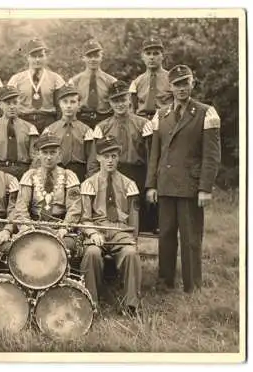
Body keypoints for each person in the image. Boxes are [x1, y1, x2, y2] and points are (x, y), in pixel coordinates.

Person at [146, 64, 221, 293]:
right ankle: (165, 282)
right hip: (166, 185)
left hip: (190, 186)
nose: (181, 88)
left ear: (192, 84)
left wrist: (205, 188)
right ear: (170, 86)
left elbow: (211, 155)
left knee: (190, 239)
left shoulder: (205, 113)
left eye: (185, 83)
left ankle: (192, 287)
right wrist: (151, 184)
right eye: (177, 84)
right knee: (166, 236)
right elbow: (155, 154)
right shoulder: (161, 114)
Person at [79, 135, 142, 316]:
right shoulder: (89, 184)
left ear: (118, 158)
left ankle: (131, 305)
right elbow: (84, 218)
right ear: (98, 158)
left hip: (120, 231)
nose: (110, 160)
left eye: (114, 156)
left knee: (130, 253)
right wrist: (92, 233)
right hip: (97, 229)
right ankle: (91, 303)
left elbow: (133, 218)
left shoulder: (129, 184)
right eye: (106, 156)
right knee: (91, 253)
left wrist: (133, 240)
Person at [88, 80, 157, 233]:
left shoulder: (143, 124)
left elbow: (152, 157)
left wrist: (151, 184)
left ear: (129, 100)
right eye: (115, 100)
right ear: (110, 103)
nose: (120, 104)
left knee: (138, 212)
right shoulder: (102, 127)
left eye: (123, 99)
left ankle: (141, 246)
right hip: (111, 171)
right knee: (112, 211)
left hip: (137, 173)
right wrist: (94, 180)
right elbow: (94, 158)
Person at [13, 132, 82, 253]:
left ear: (59, 155)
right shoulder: (30, 176)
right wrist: (27, 227)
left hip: (59, 227)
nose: (49, 157)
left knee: (64, 246)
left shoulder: (69, 176)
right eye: (45, 153)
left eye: (53, 152)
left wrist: (64, 229)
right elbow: (21, 207)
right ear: (38, 154)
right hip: (34, 226)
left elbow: (74, 209)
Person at [7, 38, 66, 133]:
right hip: (24, 121)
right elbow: (10, 105)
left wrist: (57, 126)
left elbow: (60, 106)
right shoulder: (16, 79)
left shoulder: (56, 79)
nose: (37, 60)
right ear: (27, 57)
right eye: (34, 56)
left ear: (46, 56)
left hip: (48, 121)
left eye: (41, 56)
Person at [0, 85, 39, 179]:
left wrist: (30, 175)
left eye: (15, 103)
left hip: (23, 171)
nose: (12, 107)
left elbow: (35, 156)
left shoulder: (30, 128)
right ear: (0, 105)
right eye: (8, 103)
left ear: (19, 103)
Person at [42, 84, 94, 181]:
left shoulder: (86, 130)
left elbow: (91, 159)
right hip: (55, 171)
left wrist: (90, 179)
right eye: (65, 102)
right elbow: (42, 156)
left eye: (73, 102)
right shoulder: (50, 130)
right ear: (59, 104)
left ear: (78, 105)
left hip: (79, 172)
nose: (68, 106)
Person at [69, 39, 117, 129]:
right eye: (89, 56)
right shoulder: (75, 81)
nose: (93, 59)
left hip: (105, 120)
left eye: (96, 56)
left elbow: (116, 104)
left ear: (101, 57)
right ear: (83, 58)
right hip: (82, 120)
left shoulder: (111, 81)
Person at [129, 37, 171, 120]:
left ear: (163, 56)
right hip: (143, 122)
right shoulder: (137, 82)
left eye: (156, 53)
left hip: (165, 121)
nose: (152, 57)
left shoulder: (171, 78)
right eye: (148, 54)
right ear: (142, 57)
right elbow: (132, 109)